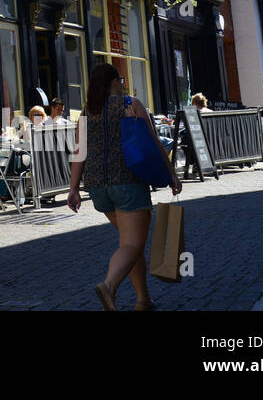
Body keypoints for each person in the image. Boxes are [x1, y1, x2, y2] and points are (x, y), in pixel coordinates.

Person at [68, 62, 182, 311]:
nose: (123, 83)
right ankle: (109, 286)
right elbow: (153, 143)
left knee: (130, 244)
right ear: (113, 82)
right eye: (119, 79)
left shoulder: (87, 112)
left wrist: (73, 188)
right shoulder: (131, 104)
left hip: (99, 187)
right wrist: (171, 174)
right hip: (128, 182)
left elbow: (79, 152)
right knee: (132, 245)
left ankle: (143, 300)